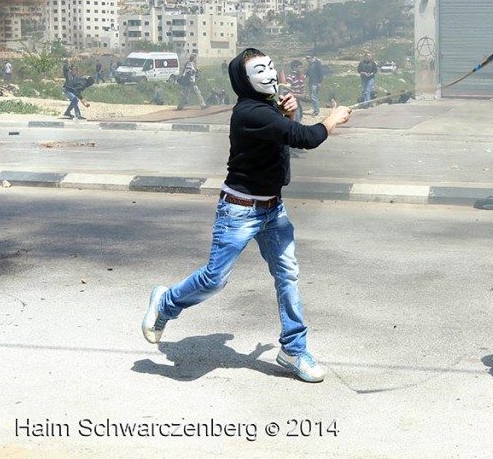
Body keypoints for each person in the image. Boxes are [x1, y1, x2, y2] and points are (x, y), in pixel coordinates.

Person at [142, 47, 353, 383]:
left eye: (271, 67)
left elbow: (284, 141)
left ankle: (294, 350)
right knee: (215, 279)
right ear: (245, 80)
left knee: (288, 275)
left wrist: (291, 114)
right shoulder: (249, 114)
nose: (270, 74)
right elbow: (305, 139)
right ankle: (166, 302)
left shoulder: (266, 109)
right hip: (240, 211)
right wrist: (333, 119)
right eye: (260, 71)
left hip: (273, 210)